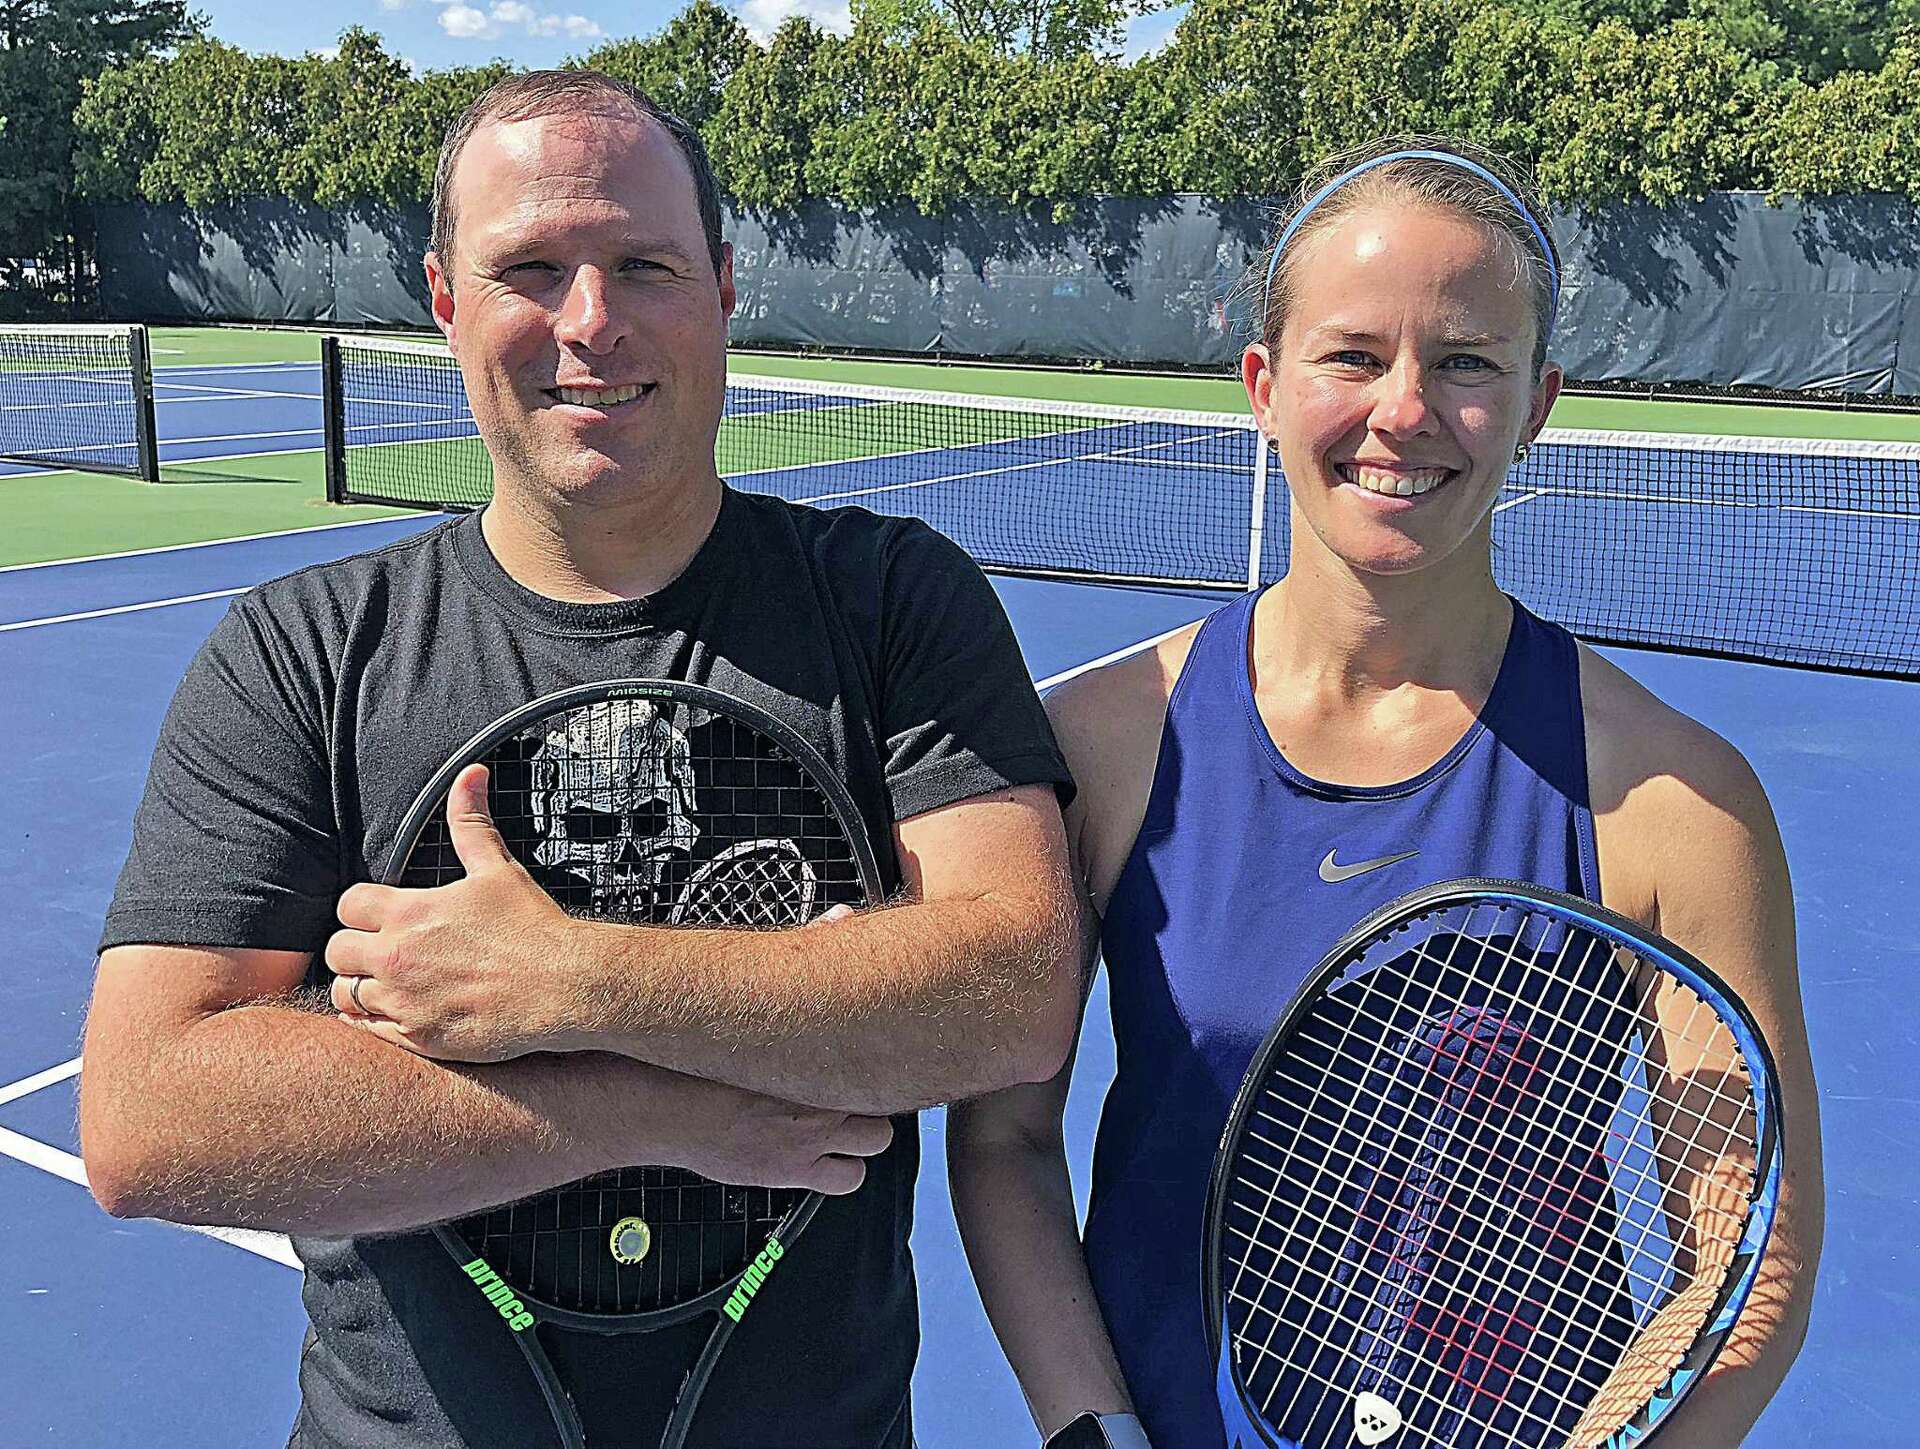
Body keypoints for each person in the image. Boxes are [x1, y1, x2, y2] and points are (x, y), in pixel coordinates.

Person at [78, 71, 1080, 1449]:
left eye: (643, 263)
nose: (591, 322)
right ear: (444, 298)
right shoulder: (302, 652)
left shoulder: (891, 601)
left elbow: (1015, 990)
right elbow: (149, 1119)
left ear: (724, 286)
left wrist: (563, 978)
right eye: (532, 268)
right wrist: (656, 1106)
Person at [948, 137, 1823, 1449]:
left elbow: (1745, 1262)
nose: (1404, 410)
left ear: (1537, 401)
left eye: (1467, 361)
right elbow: (1006, 1138)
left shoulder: (1677, 801)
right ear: (1265, 385)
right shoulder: (1096, 751)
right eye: (1352, 355)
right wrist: (1098, 1432)